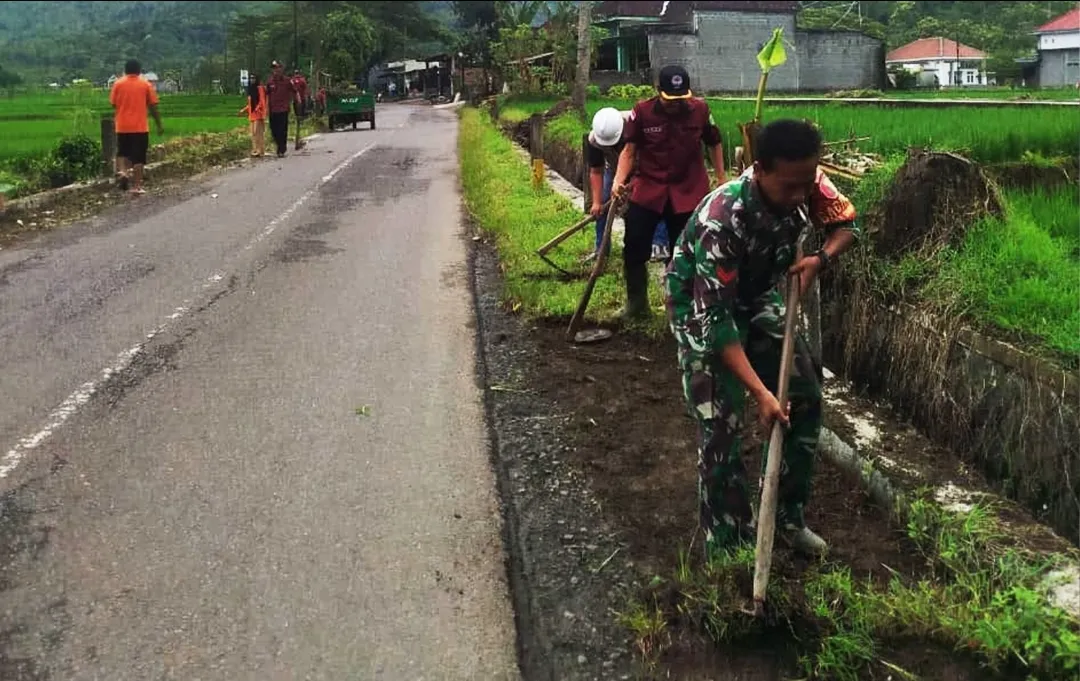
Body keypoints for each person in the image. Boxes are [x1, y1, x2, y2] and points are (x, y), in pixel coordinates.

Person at [663, 119, 859, 560]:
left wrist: (819, 260)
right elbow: (717, 323)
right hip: (701, 306)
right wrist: (761, 394)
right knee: (720, 422)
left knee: (805, 393)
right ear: (760, 169)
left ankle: (786, 517)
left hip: (755, 296)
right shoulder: (722, 219)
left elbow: (849, 227)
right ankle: (729, 542)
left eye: (806, 184)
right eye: (789, 187)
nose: (799, 196)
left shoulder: (808, 183)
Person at [611, 65, 726, 320]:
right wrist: (618, 180)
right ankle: (636, 305)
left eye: (680, 98)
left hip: (688, 189)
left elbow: (714, 142)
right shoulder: (642, 112)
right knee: (634, 245)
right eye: (670, 99)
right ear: (658, 91)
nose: (676, 104)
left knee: (683, 251)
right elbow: (629, 151)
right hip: (649, 188)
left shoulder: (700, 110)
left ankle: (681, 307)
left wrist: (721, 179)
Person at [586, 107, 670, 264]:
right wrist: (597, 202)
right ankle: (601, 249)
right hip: (614, 169)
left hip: (649, 168)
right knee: (603, 204)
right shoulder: (595, 140)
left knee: (656, 200)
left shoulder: (641, 126)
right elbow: (596, 171)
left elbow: (656, 159)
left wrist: (636, 182)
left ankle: (659, 244)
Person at [109, 59, 164, 195]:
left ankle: (123, 172)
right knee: (138, 157)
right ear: (139, 71)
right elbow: (153, 106)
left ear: (125, 70)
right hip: (140, 127)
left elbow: (113, 103)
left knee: (122, 152)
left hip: (122, 126)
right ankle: (137, 186)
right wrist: (159, 124)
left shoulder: (118, 84)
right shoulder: (145, 84)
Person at [265, 60, 299, 158]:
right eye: (274, 68)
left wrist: (298, 101)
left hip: (283, 109)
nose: (276, 70)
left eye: (277, 68)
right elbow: (267, 95)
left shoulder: (287, 81)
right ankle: (279, 145)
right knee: (274, 130)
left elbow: (295, 91)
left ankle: (281, 148)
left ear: (281, 69)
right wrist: (266, 108)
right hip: (273, 109)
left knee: (282, 130)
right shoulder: (270, 82)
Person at [239, 73, 267, 157]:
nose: (252, 79)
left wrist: (258, 108)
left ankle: (260, 150)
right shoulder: (250, 90)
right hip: (252, 114)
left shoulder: (260, 88)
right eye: (251, 78)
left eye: (254, 78)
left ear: (256, 79)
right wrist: (244, 110)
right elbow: (250, 104)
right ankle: (255, 149)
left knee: (257, 132)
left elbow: (262, 100)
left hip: (258, 113)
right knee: (252, 133)